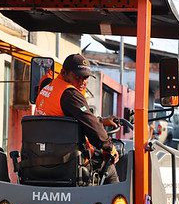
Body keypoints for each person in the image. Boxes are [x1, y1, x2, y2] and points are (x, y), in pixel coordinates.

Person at [35, 53, 120, 183]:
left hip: (39, 158)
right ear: (64, 72)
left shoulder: (47, 89)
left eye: (85, 77)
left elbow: (75, 117)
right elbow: (91, 126)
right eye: (77, 76)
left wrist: (101, 120)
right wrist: (108, 147)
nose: (82, 81)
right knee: (110, 167)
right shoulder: (70, 94)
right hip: (66, 161)